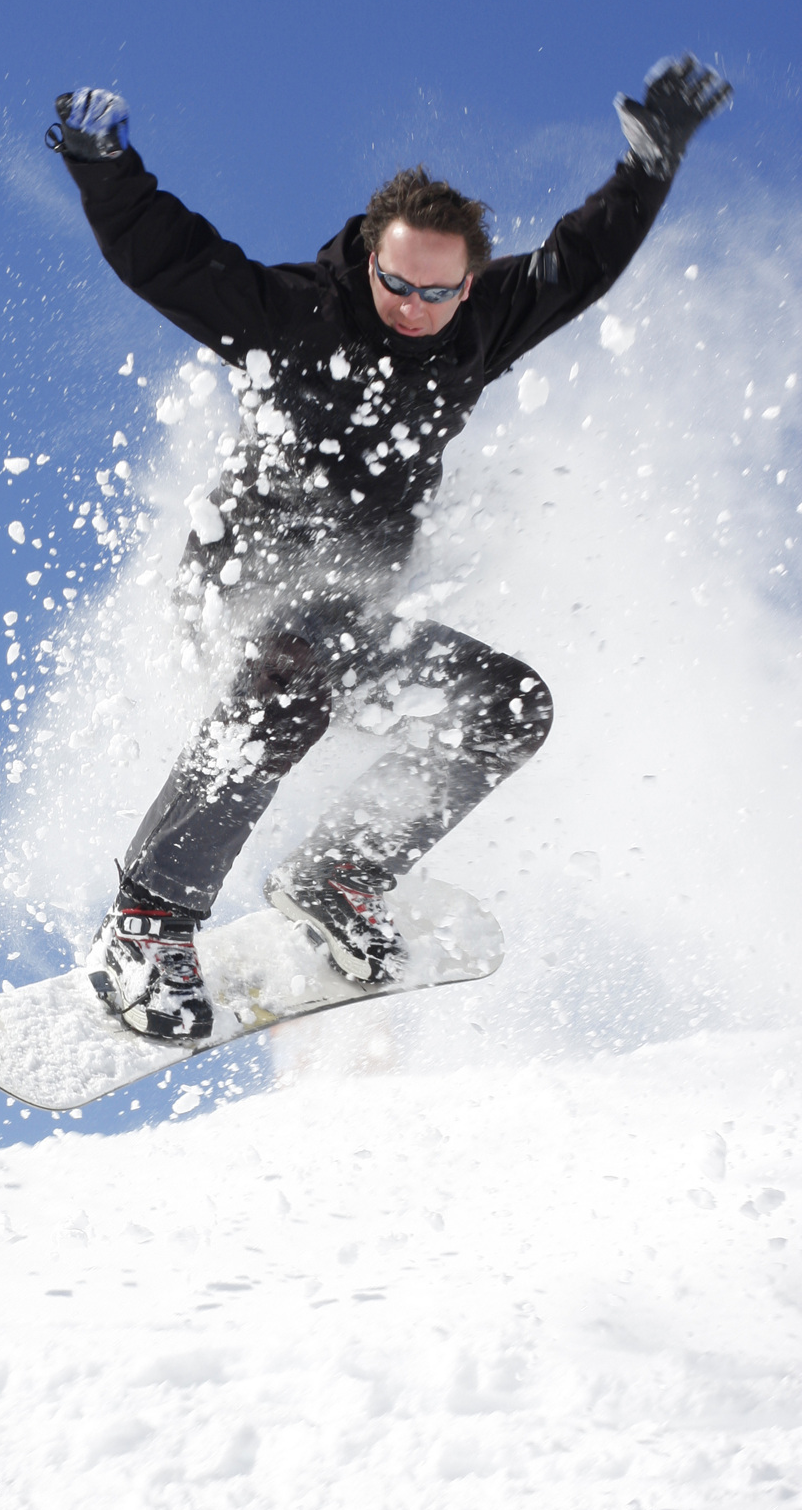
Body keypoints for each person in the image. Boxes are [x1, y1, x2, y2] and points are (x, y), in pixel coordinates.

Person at [46, 56, 731, 1041]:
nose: (412, 306)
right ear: (369, 258)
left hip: (342, 620)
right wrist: (100, 162)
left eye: (437, 293)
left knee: (508, 705)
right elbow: (169, 255)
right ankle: (146, 926)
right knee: (291, 682)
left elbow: (581, 264)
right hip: (240, 587)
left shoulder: (480, 328)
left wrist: (652, 165)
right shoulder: (293, 315)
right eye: (395, 282)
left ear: (470, 285)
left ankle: (342, 870)